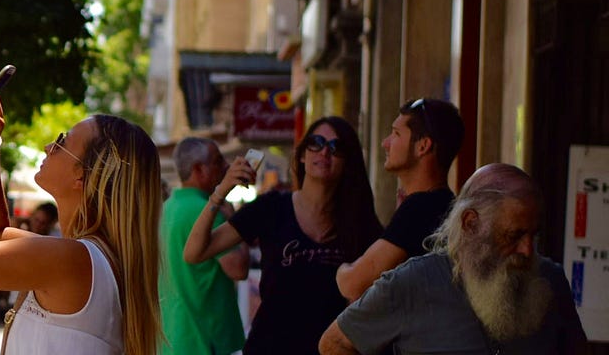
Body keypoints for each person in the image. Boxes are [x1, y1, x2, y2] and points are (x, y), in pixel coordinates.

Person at [0, 78, 163, 355]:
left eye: (63, 140)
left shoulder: (72, 259)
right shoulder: (87, 259)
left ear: (83, 174)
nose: (49, 146)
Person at [319, 164, 589, 354]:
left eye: (533, 235)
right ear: (471, 224)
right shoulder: (412, 283)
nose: (527, 250)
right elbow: (335, 343)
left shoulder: (549, 281)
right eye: (514, 235)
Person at [183, 117, 383, 355]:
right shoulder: (271, 208)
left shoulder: (360, 223)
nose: (324, 152)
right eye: (316, 142)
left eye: (336, 147)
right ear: (301, 155)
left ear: (347, 162)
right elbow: (195, 252)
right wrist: (220, 192)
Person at [336, 98, 464, 301]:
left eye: (396, 134)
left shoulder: (419, 209)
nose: (385, 143)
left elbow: (353, 284)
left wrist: (341, 268)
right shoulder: (445, 204)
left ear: (423, 146)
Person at [160, 137, 249, 355]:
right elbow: (238, 268)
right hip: (204, 339)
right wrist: (237, 222)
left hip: (172, 337)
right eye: (218, 162)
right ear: (199, 169)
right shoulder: (207, 212)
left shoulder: (166, 209)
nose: (225, 167)